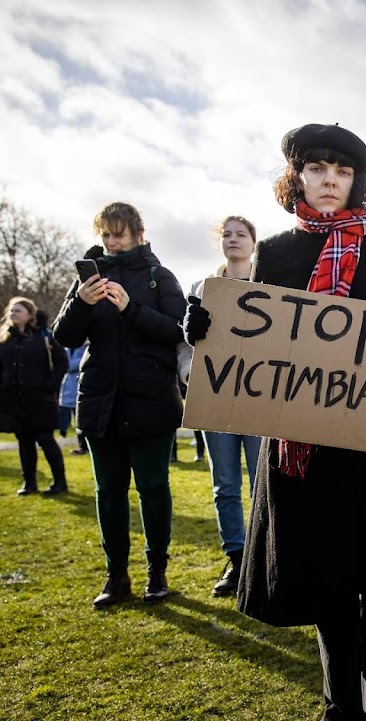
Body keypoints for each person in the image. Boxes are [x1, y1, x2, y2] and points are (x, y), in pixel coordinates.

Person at [183, 123, 366, 720]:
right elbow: (256, 346)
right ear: (297, 176)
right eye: (318, 170)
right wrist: (209, 331)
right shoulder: (279, 251)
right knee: (331, 594)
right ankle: (339, 706)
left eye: (342, 173)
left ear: (356, 182)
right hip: (307, 452)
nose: (329, 181)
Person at [53, 202, 186, 608]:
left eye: (119, 234)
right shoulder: (87, 280)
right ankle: (116, 576)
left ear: (138, 234)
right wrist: (82, 302)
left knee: (152, 489)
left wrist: (131, 309)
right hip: (100, 403)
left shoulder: (158, 277)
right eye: (105, 235)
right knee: (108, 492)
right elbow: (65, 337)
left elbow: (177, 331)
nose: (111, 243)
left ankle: (156, 572)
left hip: (151, 402)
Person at [187, 215, 263, 597]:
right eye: (227, 234)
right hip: (216, 397)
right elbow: (188, 345)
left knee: (262, 483)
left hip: (259, 399)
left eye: (241, 234)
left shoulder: (270, 286)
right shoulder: (202, 288)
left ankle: (262, 559)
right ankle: (236, 558)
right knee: (225, 485)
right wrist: (191, 371)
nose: (233, 240)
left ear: (253, 241)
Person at [0, 297, 69, 495]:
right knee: (24, 442)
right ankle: (29, 483)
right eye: (11, 311)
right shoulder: (6, 340)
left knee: (46, 440)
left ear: (30, 314)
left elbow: (61, 362)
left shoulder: (44, 337)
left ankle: (60, 481)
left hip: (40, 400)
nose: (13, 314)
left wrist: (50, 385)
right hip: (15, 400)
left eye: (18, 311)